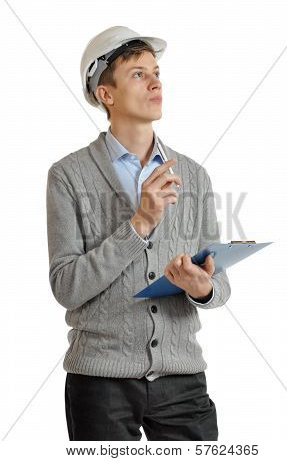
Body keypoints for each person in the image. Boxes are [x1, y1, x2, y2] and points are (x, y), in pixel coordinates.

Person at [46, 25, 231, 441]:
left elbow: (219, 286)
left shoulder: (194, 176)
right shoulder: (68, 176)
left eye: (157, 72)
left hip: (183, 381)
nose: (155, 82)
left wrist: (202, 288)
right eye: (138, 73)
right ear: (105, 95)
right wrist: (139, 224)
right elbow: (65, 286)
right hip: (99, 384)